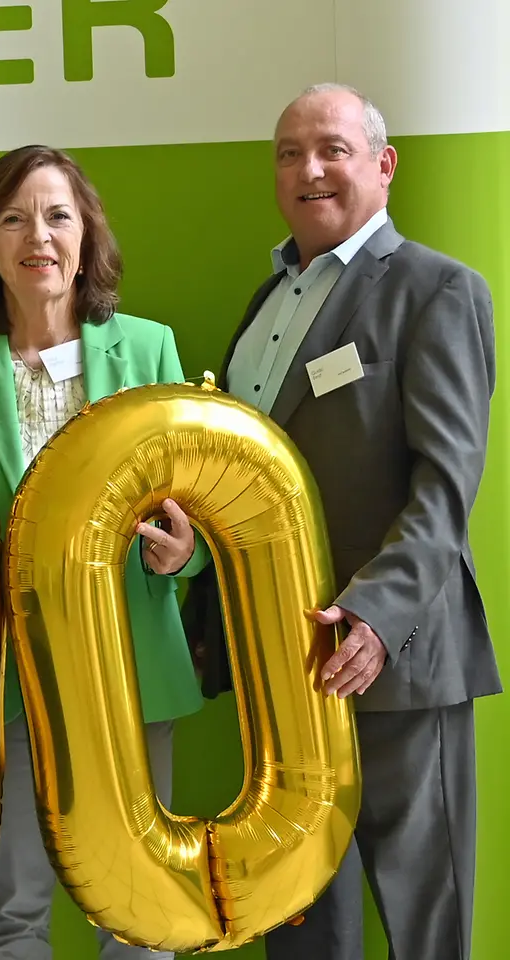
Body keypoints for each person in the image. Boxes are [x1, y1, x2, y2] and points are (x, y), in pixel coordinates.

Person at [183, 83, 499, 960]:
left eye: (332, 149)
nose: (309, 169)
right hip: (280, 666)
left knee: (425, 925)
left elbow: (446, 485)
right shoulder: (268, 301)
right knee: (300, 919)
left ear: (384, 166)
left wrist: (376, 615)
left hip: (394, 661)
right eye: (289, 153)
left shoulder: (437, 289)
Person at [0, 145, 206, 960]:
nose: (37, 236)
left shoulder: (149, 349)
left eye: (57, 216)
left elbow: (196, 504)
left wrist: (184, 553)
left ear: (86, 239)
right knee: (12, 906)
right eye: (13, 219)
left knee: (140, 908)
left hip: (133, 664)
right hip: (5, 671)